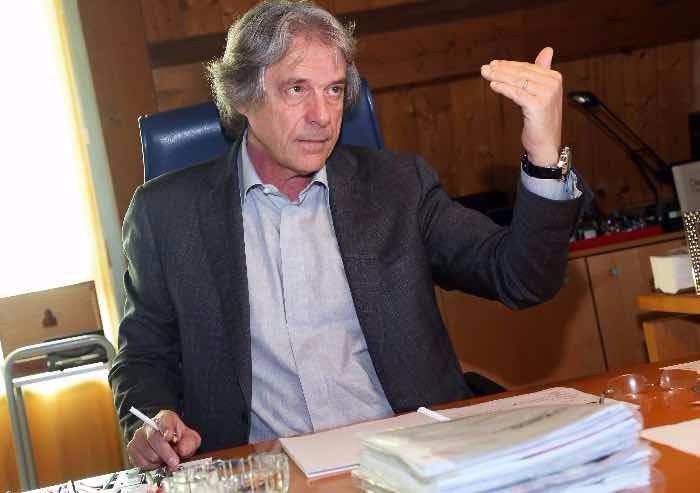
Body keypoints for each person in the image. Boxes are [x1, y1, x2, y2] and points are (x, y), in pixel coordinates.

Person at [109, 0, 588, 470]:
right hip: (269, 474)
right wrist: (152, 419)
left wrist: (545, 156)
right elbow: (143, 357)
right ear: (242, 96)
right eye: (297, 89)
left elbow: (522, 278)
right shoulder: (165, 216)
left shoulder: (398, 187)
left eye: (334, 90)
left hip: (414, 461)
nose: (322, 115)